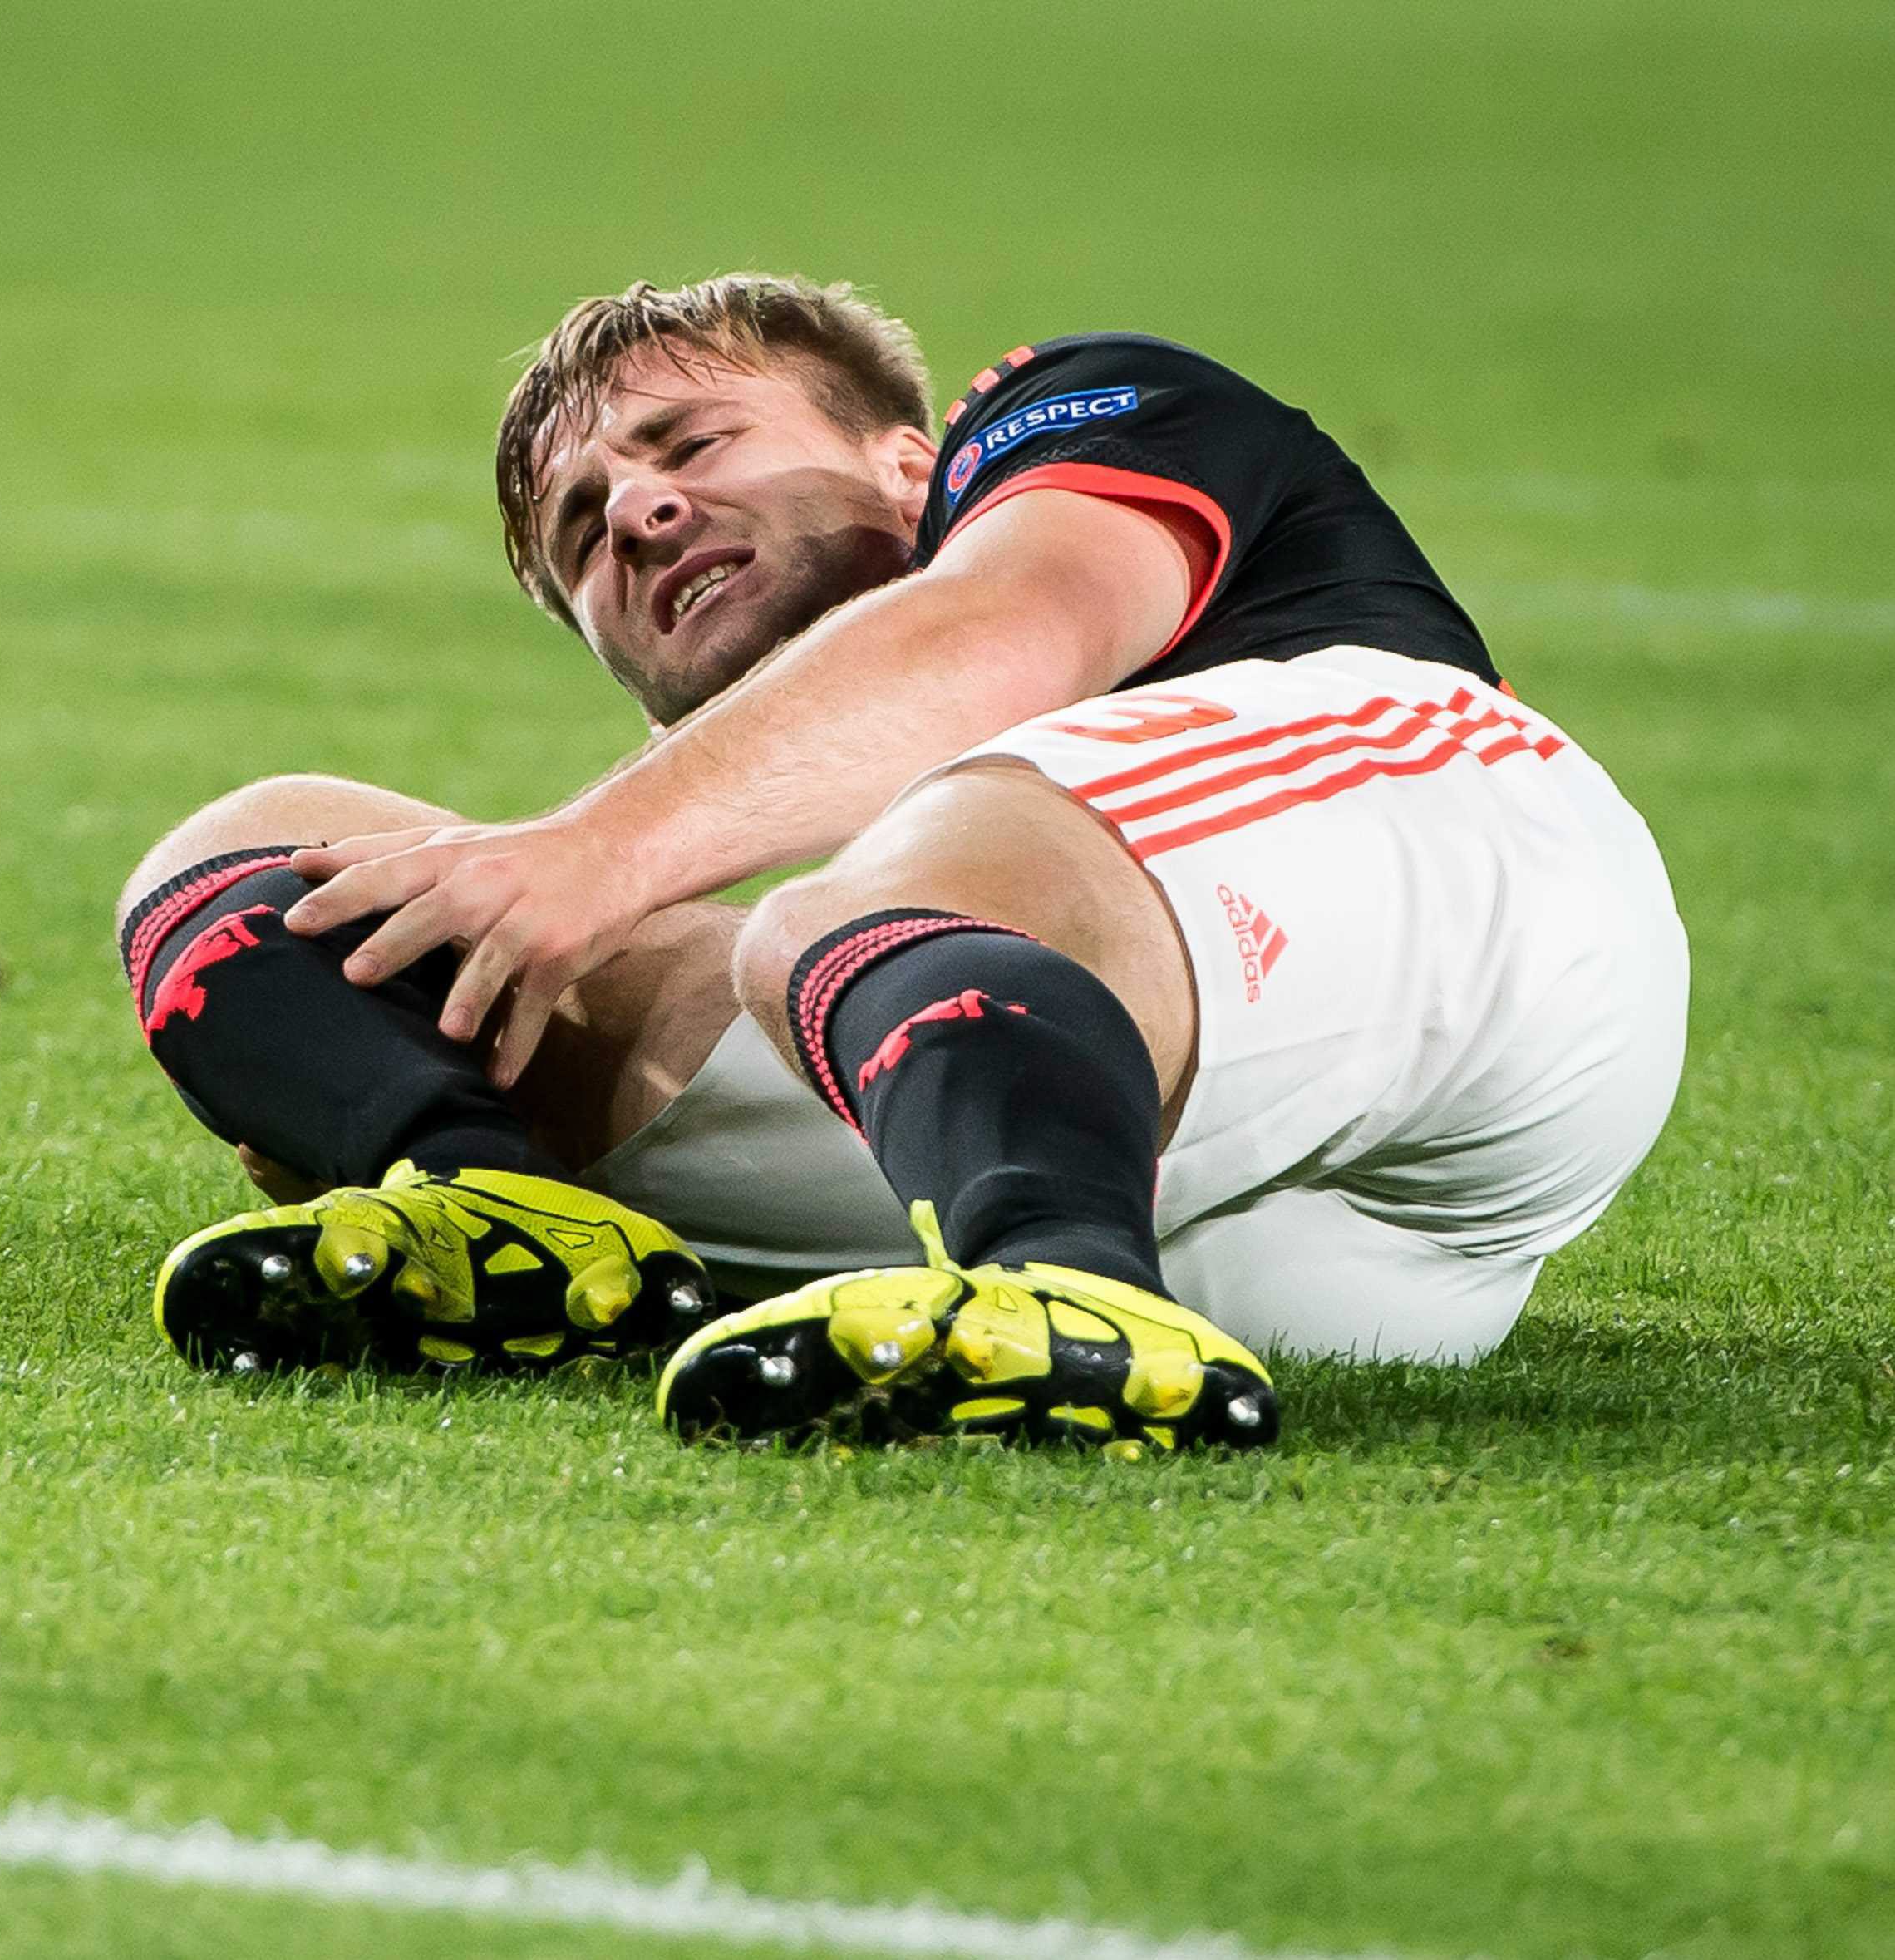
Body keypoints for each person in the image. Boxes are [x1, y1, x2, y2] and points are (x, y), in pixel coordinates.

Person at [113, 275, 1686, 1454]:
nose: (642, 509)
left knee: (832, 915)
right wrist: (365, 1079)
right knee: (257, 851)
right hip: (1141, 1172)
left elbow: (1011, 629)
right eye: (585, 528)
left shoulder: (1084, 401)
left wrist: (599, 849)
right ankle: (497, 1221)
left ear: (906, 465)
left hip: (1465, 910)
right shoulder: (823, 878)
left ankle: (1065, 1293)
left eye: (692, 441)